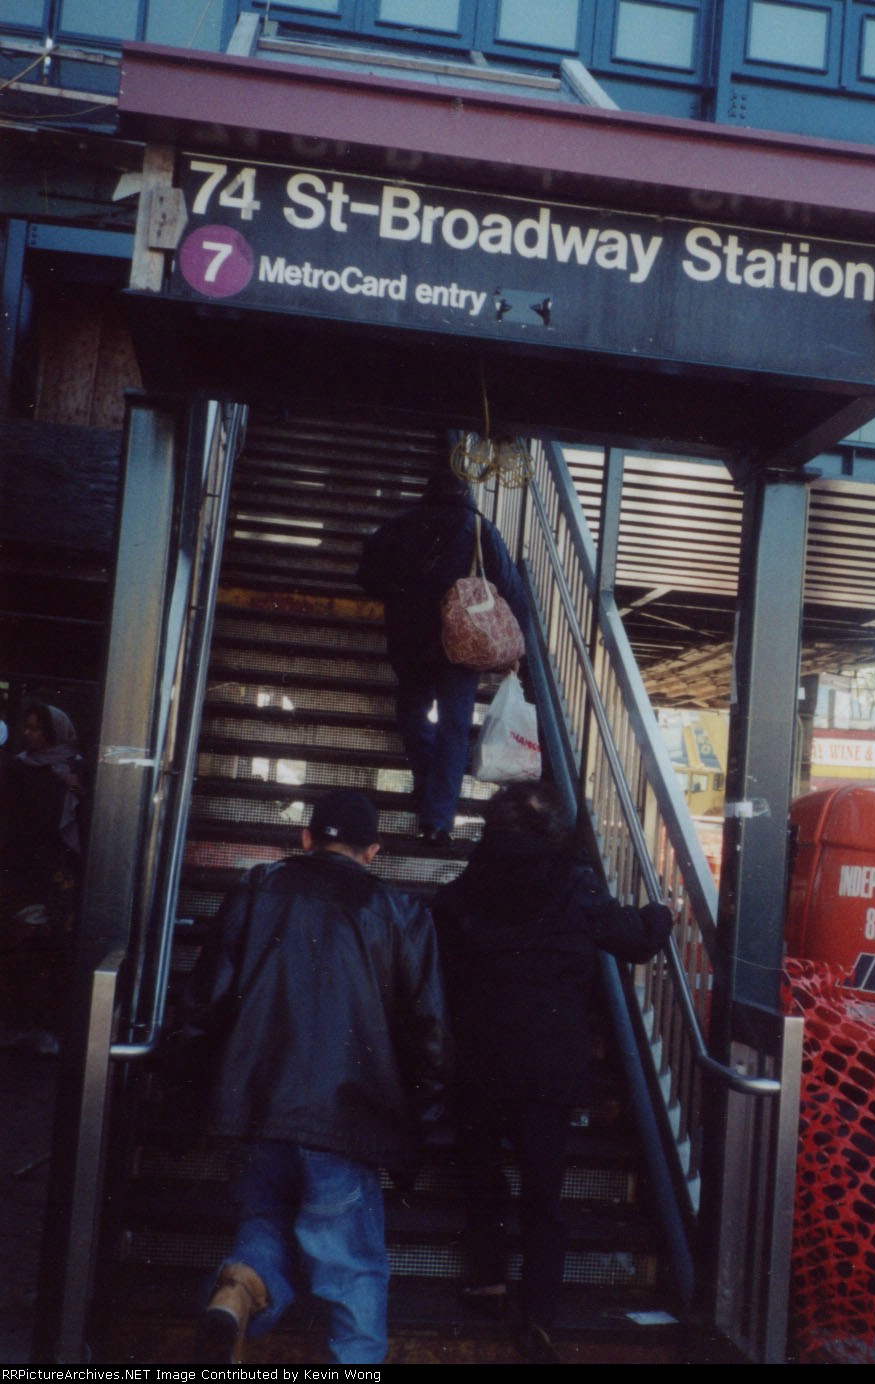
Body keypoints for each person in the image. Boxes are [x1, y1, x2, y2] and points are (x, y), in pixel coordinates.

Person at [184, 788, 450, 1364]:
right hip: (347, 1117)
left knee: (264, 1215)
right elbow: (428, 1029)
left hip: (254, 1104)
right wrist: (427, 1119)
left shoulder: (257, 889)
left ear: (306, 839)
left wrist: (191, 1087)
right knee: (352, 1268)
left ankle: (240, 1286)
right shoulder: (402, 912)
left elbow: (206, 1001)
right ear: (373, 851)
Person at [431, 781, 672, 1363]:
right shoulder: (577, 887)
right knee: (544, 1193)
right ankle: (538, 1314)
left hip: (480, 1062)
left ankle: (487, 1277)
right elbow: (638, 942)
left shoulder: (459, 895)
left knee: (482, 1174)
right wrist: (659, 912)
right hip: (549, 1067)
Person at [357, 466, 528, 849]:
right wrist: (519, 646)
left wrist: (403, 592)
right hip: (463, 643)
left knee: (413, 711)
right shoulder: (480, 529)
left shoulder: (400, 525)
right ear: (466, 493)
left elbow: (366, 575)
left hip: (409, 639)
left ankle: (426, 782)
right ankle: (438, 821)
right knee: (455, 727)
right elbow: (511, 589)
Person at [1, 703, 87, 1053]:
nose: (29, 734)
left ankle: (45, 1026)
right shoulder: (19, 768)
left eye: (38, 729)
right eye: (29, 727)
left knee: (50, 951)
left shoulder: (75, 769)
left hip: (58, 875)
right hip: (25, 872)